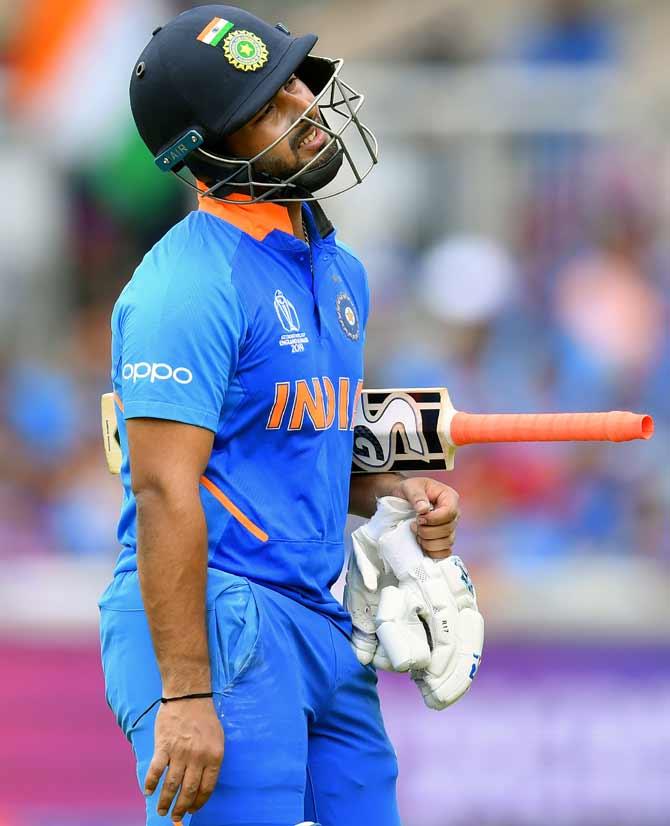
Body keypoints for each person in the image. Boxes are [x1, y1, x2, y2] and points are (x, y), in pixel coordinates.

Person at [99, 6, 460, 825]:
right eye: (267, 102)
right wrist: (185, 691)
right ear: (209, 150)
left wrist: (399, 491)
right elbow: (162, 491)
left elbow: (295, 447)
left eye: (294, 78)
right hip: (218, 620)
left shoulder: (339, 269)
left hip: (315, 614)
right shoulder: (185, 286)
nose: (303, 101)